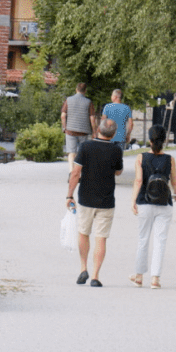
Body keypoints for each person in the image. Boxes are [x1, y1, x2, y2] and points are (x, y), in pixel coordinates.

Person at [66, 118, 123, 287]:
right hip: (106, 200)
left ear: (98, 129)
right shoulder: (116, 150)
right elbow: (118, 172)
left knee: (83, 232)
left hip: (86, 198)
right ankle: (96, 276)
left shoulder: (85, 147)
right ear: (113, 134)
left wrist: (69, 195)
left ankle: (83, 267)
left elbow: (76, 173)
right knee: (101, 238)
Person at [129, 125, 176, 289]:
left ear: (150, 140)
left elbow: (138, 181)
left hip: (145, 202)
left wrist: (133, 201)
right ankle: (155, 279)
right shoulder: (170, 159)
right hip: (164, 203)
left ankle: (138, 276)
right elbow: (173, 180)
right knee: (160, 241)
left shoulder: (141, 158)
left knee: (143, 239)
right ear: (164, 140)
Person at [59, 82, 95, 163]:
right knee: (82, 153)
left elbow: (63, 116)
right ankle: (80, 172)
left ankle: (71, 172)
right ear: (85, 91)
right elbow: (92, 118)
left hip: (70, 131)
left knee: (71, 153)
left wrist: (64, 128)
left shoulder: (68, 100)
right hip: (84, 132)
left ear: (76, 90)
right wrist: (94, 132)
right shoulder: (89, 102)